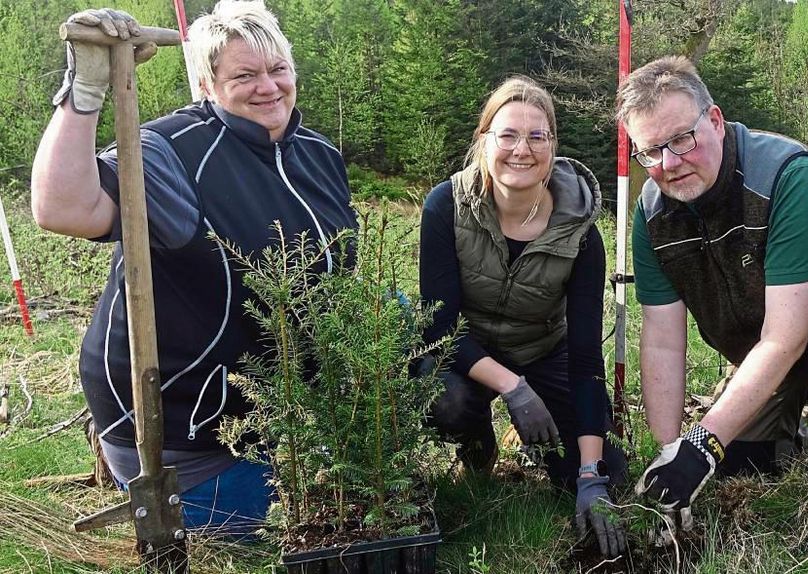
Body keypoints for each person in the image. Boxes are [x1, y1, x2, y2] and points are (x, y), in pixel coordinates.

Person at [30, 2, 357, 536]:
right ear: (206, 83)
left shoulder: (317, 153)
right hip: (180, 428)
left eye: (278, 70)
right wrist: (85, 91)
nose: (268, 87)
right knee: (318, 524)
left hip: (267, 414)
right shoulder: (173, 152)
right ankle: (148, 488)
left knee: (364, 487)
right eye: (244, 75)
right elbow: (62, 209)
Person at [617, 56, 808, 558]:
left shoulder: (790, 178)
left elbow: (786, 338)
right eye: (650, 152)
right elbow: (661, 340)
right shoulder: (653, 213)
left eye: (682, 139)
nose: (669, 163)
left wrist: (702, 442)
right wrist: (672, 453)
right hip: (763, 345)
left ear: (717, 120)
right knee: (738, 464)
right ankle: (797, 433)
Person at [419, 76, 628, 558]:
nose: (522, 149)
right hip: (464, 351)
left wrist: (591, 474)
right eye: (508, 134)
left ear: (553, 145)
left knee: (604, 471)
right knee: (446, 402)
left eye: (538, 136)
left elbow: (585, 358)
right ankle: (479, 450)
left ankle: (569, 460)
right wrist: (514, 388)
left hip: (542, 349)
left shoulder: (581, 234)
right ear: (484, 139)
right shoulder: (445, 206)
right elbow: (440, 325)